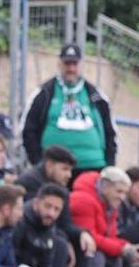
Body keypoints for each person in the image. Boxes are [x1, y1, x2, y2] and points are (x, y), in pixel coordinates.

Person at [23, 42, 114, 172]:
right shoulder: (45, 93)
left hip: (92, 166)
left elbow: (111, 132)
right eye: (67, 64)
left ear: (81, 65)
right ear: (59, 64)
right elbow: (28, 129)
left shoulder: (96, 95)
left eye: (74, 64)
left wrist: (109, 165)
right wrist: (37, 162)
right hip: (53, 169)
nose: (71, 68)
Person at [70, 165, 139, 267]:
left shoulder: (109, 203)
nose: (123, 197)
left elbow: (110, 236)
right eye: (119, 191)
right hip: (77, 247)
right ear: (105, 186)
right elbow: (90, 236)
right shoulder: (83, 199)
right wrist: (121, 248)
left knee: (117, 258)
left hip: (91, 245)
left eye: (124, 193)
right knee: (98, 256)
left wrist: (127, 247)